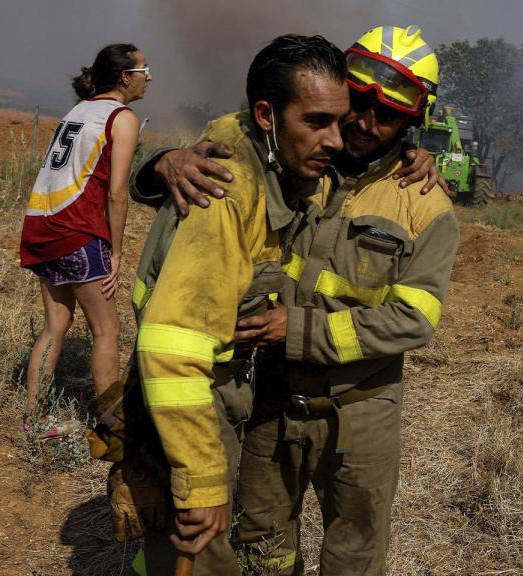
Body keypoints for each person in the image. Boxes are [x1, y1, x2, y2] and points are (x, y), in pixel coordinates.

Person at [136, 24, 459, 575]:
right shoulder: (299, 166)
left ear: (412, 122)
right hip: (274, 396)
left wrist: (299, 330)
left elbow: (416, 319)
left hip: (362, 408)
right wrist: (166, 161)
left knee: (354, 548)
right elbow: (233, 145)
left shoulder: (423, 203)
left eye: (388, 116)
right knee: (264, 538)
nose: (361, 125)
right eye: (357, 103)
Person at [119, 35, 353, 575]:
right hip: (193, 393)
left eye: (340, 122)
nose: (335, 139)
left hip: (226, 383)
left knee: (168, 551)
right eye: (317, 121)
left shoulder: (273, 154)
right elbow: (171, 346)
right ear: (267, 115)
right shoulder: (226, 185)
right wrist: (200, 479)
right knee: (200, 551)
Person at [18, 43, 148, 436]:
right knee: (107, 330)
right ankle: (114, 430)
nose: (150, 76)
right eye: (145, 68)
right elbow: (117, 192)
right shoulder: (121, 117)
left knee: (55, 324)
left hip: (41, 226)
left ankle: (33, 420)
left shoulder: (79, 109)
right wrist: (116, 251)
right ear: (126, 76)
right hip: (77, 231)